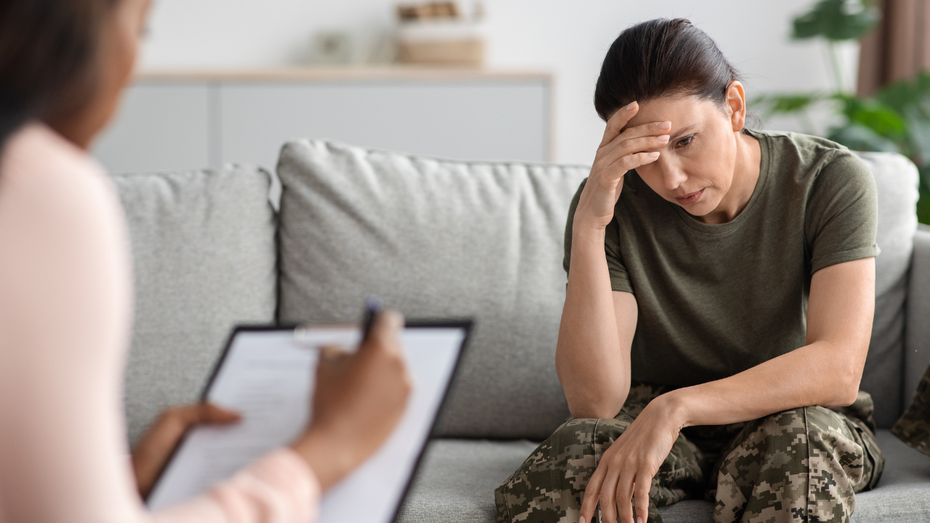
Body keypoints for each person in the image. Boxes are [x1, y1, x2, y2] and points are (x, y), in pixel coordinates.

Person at [0, 0, 412, 521]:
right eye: (141, 30)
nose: (132, 66)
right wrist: (326, 451)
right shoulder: (39, 192)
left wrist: (124, 477)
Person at [495, 18, 884, 523]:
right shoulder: (610, 207)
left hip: (790, 417)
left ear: (735, 107)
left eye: (685, 142)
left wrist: (677, 407)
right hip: (652, 430)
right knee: (575, 453)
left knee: (801, 447)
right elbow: (594, 400)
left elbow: (838, 369)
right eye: (647, 155)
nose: (671, 178)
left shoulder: (827, 180)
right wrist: (590, 224)